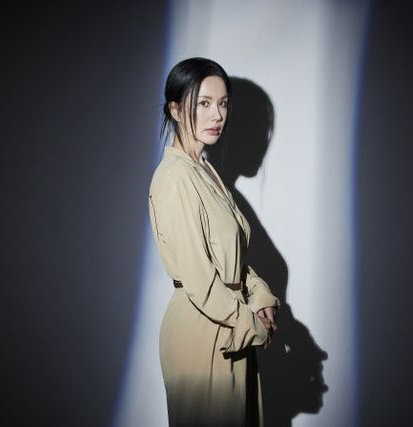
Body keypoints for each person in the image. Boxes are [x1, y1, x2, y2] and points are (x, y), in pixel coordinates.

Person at [148, 57, 280, 427]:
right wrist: (251, 323)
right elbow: (201, 279)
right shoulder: (175, 177)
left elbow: (231, 257)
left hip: (229, 321)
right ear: (175, 109)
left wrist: (260, 294)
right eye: (203, 103)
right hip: (205, 328)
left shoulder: (204, 170)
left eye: (222, 103)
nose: (217, 115)